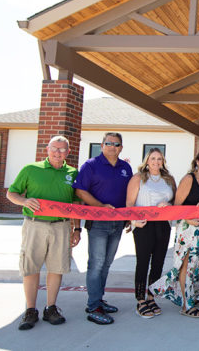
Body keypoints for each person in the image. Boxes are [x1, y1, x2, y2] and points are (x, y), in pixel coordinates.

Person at [7, 135, 80, 330]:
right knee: (31, 267)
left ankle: (51, 308)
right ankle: (30, 310)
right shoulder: (31, 169)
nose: (58, 152)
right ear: (47, 149)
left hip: (62, 226)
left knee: (56, 268)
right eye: (54, 148)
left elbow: (76, 203)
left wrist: (77, 228)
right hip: (35, 224)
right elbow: (11, 193)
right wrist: (23, 201)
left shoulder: (73, 173)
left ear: (68, 152)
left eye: (62, 149)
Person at [74, 132, 132, 325]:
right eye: (108, 143)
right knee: (96, 264)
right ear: (102, 145)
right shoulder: (91, 165)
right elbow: (80, 190)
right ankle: (93, 307)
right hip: (98, 223)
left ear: (121, 147)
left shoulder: (126, 167)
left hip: (118, 223)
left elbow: (130, 194)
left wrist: (129, 216)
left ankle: (98, 299)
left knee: (106, 264)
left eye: (116, 144)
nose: (112, 147)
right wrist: (99, 206)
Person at [150, 149, 199, 318]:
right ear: (197, 162)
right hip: (187, 228)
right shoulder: (188, 179)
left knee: (197, 265)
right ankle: (186, 305)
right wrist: (189, 219)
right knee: (185, 264)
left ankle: (192, 296)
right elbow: (176, 206)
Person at [125, 148, 175, 319]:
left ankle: (151, 297)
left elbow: (175, 202)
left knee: (158, 262)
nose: (156, 162)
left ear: (163, 161)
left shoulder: (169, 179)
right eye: (153, 158)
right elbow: (129, 204)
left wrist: (169, 206)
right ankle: (140, 300)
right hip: (143, 225)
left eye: (159, 159)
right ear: (147, 161)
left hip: (163, 225)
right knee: (143, 262)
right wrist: (133, 222)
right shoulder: (138, 178)